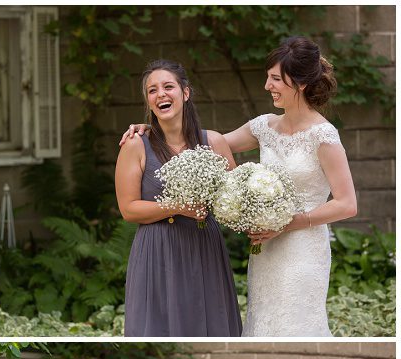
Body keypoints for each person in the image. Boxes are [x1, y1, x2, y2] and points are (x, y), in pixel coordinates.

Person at [121, 37, 357, 336]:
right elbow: (200, 145)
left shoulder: (323, 136)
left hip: (302, 247)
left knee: (297, 322)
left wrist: (287, 223)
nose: (267, 85)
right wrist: (148, 129)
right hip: (265, 244)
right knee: (263, 320)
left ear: (298, 83)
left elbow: (348, 204)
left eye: (275, 79)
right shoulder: (264, 126)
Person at [116, 59, 242, 337]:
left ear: (185, 93)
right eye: (152, 90)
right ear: (148, 102)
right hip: (157, 251)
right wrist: (179, 207)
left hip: (204, 248)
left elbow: (235, 201)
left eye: (168, 86)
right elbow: (128, 209)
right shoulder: (136, 145)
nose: (160, 94)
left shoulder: (215, 143)